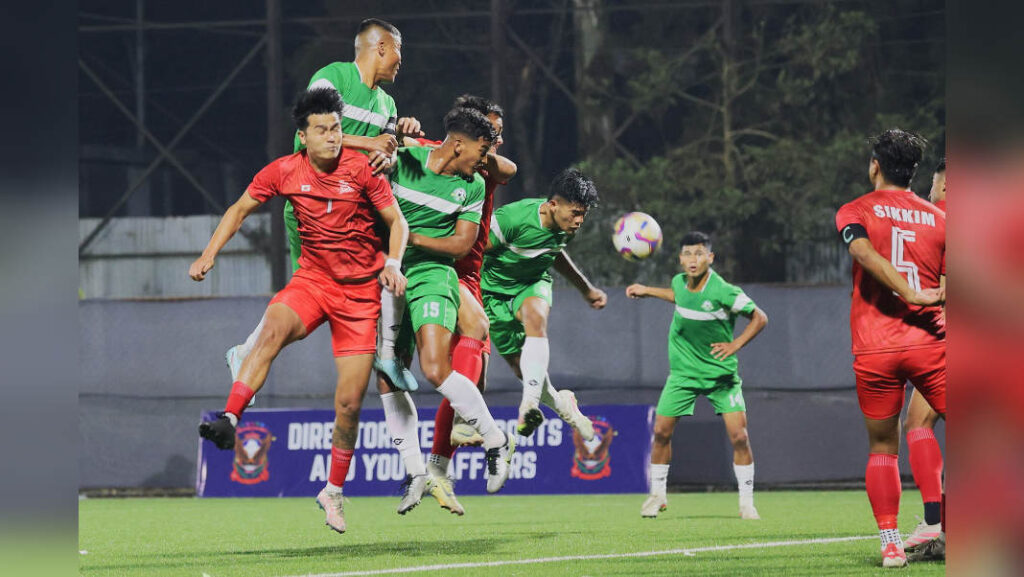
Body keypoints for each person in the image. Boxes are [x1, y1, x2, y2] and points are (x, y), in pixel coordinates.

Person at [191, 88, 409, 535]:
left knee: (349, 403)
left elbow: (397, 223)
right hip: (313, 282)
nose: (333, 137)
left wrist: (392, 262)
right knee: (271, 329)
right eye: (323, 130)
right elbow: (239, 208)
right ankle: (230, 418)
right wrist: (209, 253)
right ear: (303, 136)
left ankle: (332, 490)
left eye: (337, 128)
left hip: (359, 297)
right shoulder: (285, 171)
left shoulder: (363, 170)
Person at [226, 17, 423, 393]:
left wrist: (396, 145)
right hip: (311, 208)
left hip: (356, 220)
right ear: (381, 46)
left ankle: (385, 354)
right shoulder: (331, 77)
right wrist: (372, 145)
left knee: (380, 278)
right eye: (399, 50)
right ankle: (248, 350)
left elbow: (386, 155)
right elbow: (311, 139)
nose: (401, 59)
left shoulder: (387, 103)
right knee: (307, 299)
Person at [374, 106, 516, 514]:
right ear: (458, 144)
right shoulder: (405, 161)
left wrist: (406, 239)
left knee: (436, 369)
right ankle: (418, 471)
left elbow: (460, 245)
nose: (484, 160)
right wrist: (394, 132)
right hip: (385, 274)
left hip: (433, 274)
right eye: (482, 150)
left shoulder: (470, 186)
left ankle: (493, 437)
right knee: (388, 376)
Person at [834, 129, 946, 568]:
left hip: (875, 348)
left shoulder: (854, 209)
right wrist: (926, 294)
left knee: (883, 447)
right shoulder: (939, 218)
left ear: (874, 166)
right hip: (930, 344)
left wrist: (906, 292)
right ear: (915, 172)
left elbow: (863, 253)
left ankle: (891, 544)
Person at [419, 96, 518, 515]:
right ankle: (476, 434)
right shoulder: (435, 155)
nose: (493, 142)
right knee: (471, 336)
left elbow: (509, 169)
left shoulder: (487, 168)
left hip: (467, 274)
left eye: (497, 134)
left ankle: (437, 470)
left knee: (462, 374)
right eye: (486, 134)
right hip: (431, 266)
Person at [626, 232, 768, 521]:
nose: (693, 259)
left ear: (710, 258)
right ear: (680, 259)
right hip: (683, 374)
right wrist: (646, 289)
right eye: (688, 254)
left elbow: (760, 317)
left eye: (699, 253)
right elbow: (678, 296)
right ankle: (657, 496)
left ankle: (746, 503)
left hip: (720, 376)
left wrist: (736, 344)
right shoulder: (679, 282)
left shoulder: (724, 291)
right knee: (661, 433)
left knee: (739, 436)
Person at [480, 168, 605, 441]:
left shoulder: (566, 225)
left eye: (584, 214)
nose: (580, 220)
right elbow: (473, 252)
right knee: (522, 369)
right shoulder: (510, 220)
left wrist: (586, 289)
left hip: (533, 282)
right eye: (575, 213)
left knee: (536, 319)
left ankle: (529, 406)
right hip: (493, 293)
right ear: (552, 205)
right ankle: (565, 406)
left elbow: (554, 254)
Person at [902, 158, 946, 559]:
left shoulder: (938, 217)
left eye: (934, 185)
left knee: (917, 424)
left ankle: (936, 522)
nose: (931, 192)